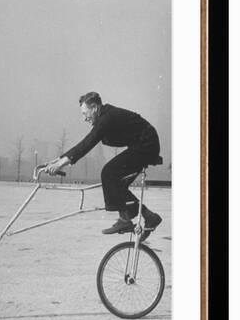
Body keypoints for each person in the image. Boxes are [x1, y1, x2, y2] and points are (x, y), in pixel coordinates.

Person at [45, 92, 163, 234]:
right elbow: (85, 143)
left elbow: (87, 143)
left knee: (109, 173)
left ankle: (125, 220)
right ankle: (149, 216)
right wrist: (59, 160)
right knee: (117, 184)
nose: (84, 118)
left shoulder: (106, 118)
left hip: (146, 144)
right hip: (143, 144)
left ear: (94, 107)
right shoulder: (105, 115)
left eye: (84, 113)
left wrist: (60, 164)